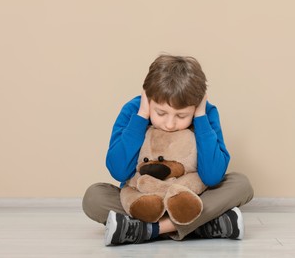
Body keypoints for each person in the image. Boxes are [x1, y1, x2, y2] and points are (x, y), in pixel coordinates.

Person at [82, 54, 254, 246]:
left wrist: (200, 118)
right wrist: (141, 116)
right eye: (161, 113)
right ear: (148, 98)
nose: (170, 124)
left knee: (241, 184)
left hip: (188, 199)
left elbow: (212, 176)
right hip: (142, 199)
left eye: (182, 116)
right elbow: (119, 170)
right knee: (94, 197)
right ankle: (204, 225)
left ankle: (148, 230)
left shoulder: (206, 114)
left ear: (196, 106)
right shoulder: (133, 110)